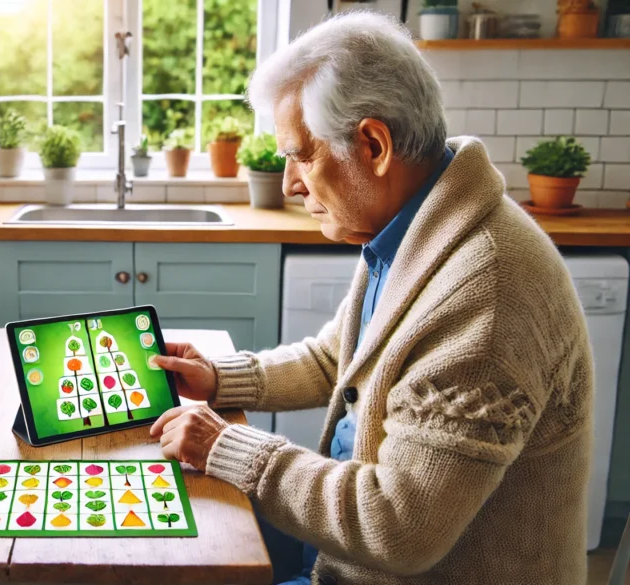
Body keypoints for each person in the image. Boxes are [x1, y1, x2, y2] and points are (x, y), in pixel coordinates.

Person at [150, 11, 592, 585]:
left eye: (300, 155)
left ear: (374, 145)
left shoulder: (487, 296)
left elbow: (397, 525)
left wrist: (231, 448)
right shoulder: (420, 225)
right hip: (342, 555)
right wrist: (217, 377)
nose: (289, 184)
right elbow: (336, 359)